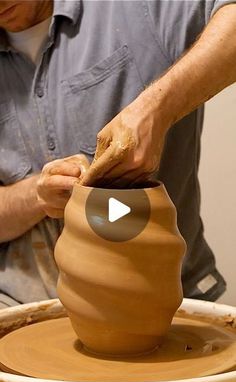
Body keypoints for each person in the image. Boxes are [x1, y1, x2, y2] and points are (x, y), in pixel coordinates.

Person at [0, 0, 235, 309]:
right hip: (21, 306)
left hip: (165, 300)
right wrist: (37, 195)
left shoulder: (130, 7)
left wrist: (156, 108)